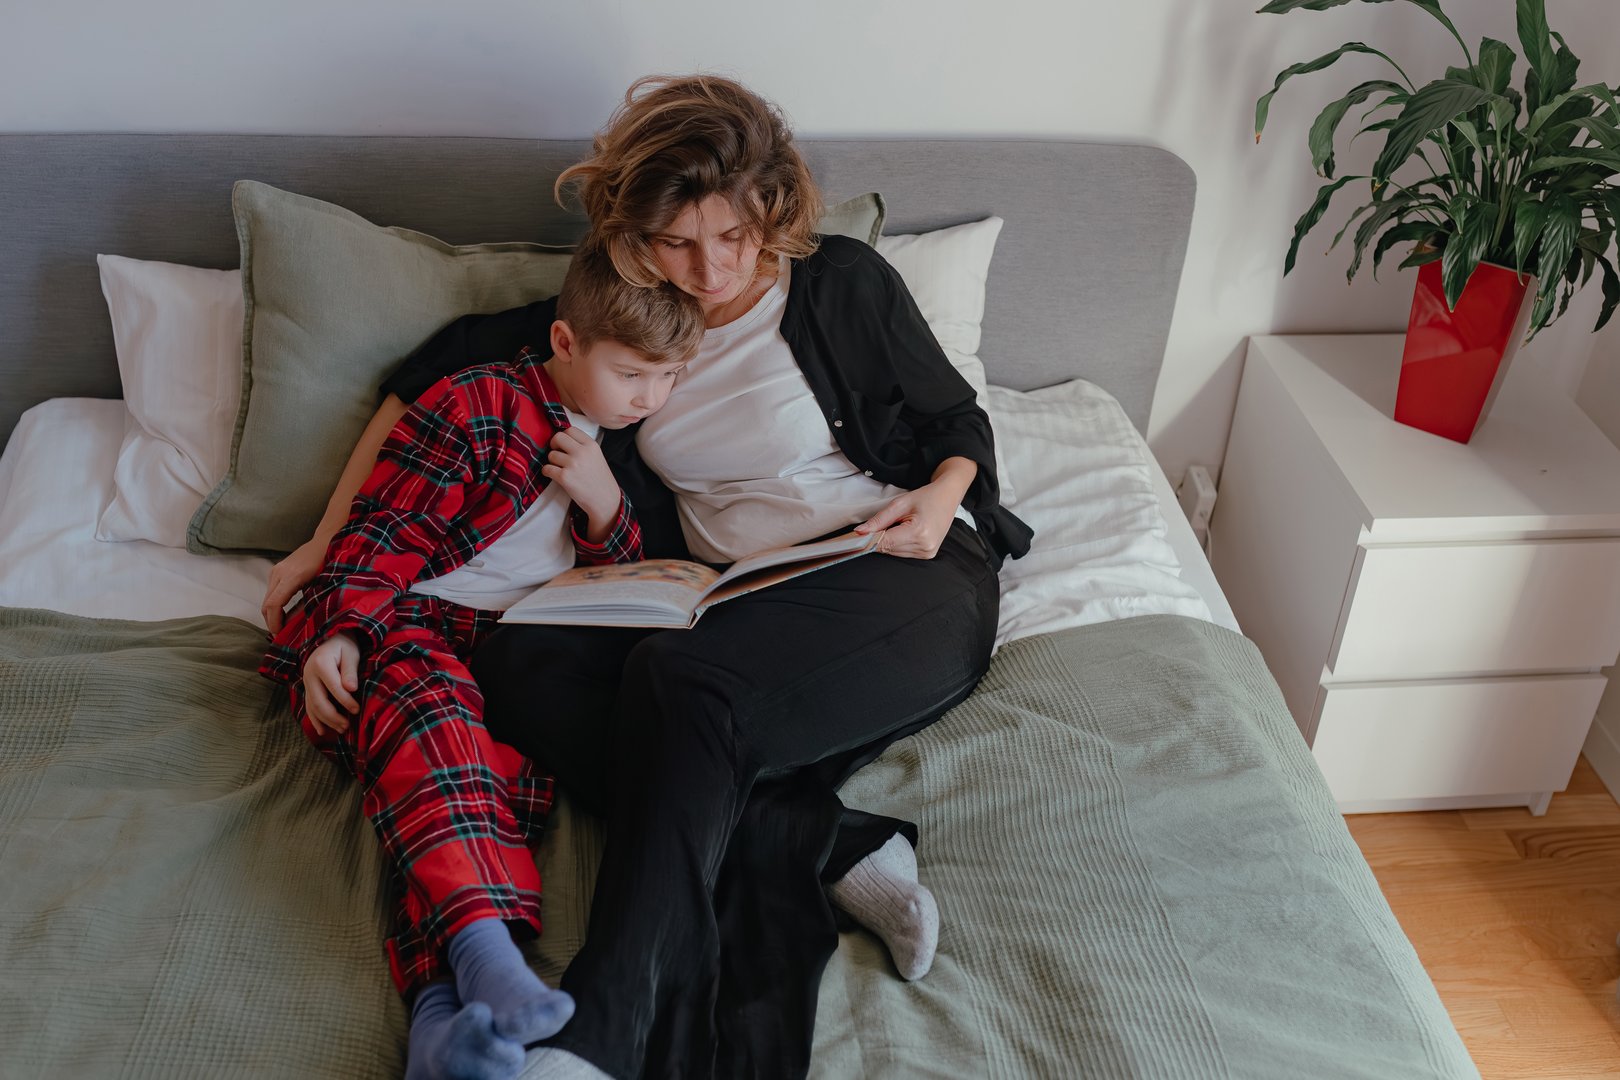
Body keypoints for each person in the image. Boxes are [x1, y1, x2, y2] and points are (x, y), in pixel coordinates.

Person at [266, 74, 1030, 1079]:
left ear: (772, 214)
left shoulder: (841, 281)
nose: (709, 269)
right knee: (518, 663)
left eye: (734, 238)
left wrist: (939, 501)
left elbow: (955, 420)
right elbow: (427, 376)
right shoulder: (629, 318)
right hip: (736, 599)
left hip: (893, 567)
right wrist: (324, 547)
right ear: (635, 229)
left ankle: (600, 1031)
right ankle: (830, 842)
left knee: (681, 691)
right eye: (677, 241)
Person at [258, 242, 705, 1080]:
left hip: (509, 646)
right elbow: (385, 530)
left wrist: (607, 507)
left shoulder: (611, 447)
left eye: (669, 378)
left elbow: (622, 573)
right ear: (567, 344)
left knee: (486, 787)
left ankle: (439, 1030)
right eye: (634, 374)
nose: (651, 398)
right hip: (398, 620)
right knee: (437, 720)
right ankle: (493, 963)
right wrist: (344, 633)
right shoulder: (479, 401)